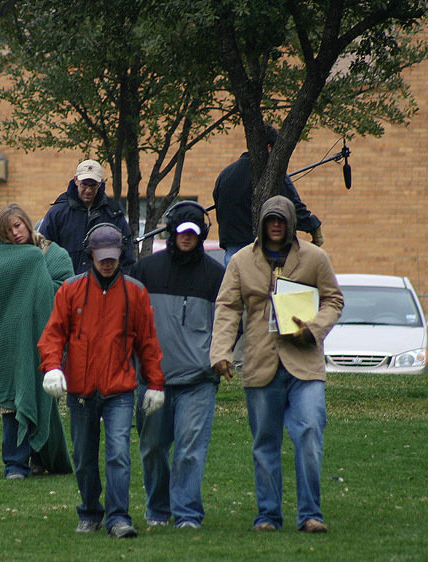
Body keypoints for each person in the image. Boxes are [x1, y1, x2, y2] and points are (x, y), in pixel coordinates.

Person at [210, 195, 343, 533]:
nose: (276, 225)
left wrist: (313, 331)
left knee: (310, 432)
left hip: (305, 365)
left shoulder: (315, 258)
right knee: (265, 443)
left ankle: (311, 514)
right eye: (270, 220)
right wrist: (221, 352)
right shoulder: (241, 261)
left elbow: (333, 299)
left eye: (281, 220)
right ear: (261, 224)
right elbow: (227, 307)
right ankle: (268, 515)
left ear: (290, 225)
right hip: (260, 364)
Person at [38, 223, 165, 539]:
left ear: (121, 254)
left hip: (119, 388)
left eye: (112, 256)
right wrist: (52, 367)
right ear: (90, 254)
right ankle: (90, 512)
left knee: (119, 453)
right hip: (81, 388)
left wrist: (155, 384)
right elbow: (53, 334)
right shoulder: (70, 289)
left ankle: (119, 517)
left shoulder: (134, 292)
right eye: (101, 255)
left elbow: (148, 343)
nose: (107, 262)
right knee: (83, 457)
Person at [129, 202, 225, 529]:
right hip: (152, 379)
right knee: (153, 447)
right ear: (171, 232)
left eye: (194, 234)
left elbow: (228, 324)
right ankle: (158, 509)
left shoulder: (216, 276)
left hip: (199, 380)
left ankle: (187, 513)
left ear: (202, 236)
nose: (188, 238)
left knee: (189, 450)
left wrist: (220, 356)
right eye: (182, 232)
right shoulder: (146, 271)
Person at [0, 204, 74, 480]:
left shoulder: (52, 254)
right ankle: (15, 464)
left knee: (41, 395)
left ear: (27, 222)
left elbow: (64, 290)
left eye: (18, 225)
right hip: (5, 339)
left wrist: (38, 290)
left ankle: (40, 456)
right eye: (8, 230)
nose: (15, 233)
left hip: (41, 336)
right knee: (11, 400)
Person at [213, 123, 323, 266]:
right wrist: (313, 226)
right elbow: (293, 208)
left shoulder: (225, 175)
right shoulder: (273, 174)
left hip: (232, 252)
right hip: (265, 252)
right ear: (270, 147)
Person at [39, 159, 135, 275]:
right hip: (66, 286)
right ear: (76, 180)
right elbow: (43, 253)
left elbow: (127, 256)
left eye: (93, 185)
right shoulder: (57, 213)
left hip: (105, 287)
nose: (88, 190)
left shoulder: (114, 213)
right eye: (84, 184)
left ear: (100, 184)